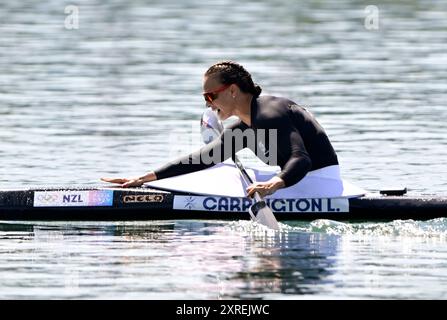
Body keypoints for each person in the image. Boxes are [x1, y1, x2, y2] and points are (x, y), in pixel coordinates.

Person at [101, 61, 339, 198]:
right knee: (219, 164)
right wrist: (144, 178)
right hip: (301, 181)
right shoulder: (247, 125)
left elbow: (301, 159)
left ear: (232, 90)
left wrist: (273, 184)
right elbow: (205, 158)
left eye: (210, 95)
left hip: (319, 184)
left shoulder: (269, 113)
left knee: (231, 175)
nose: (207, 103)